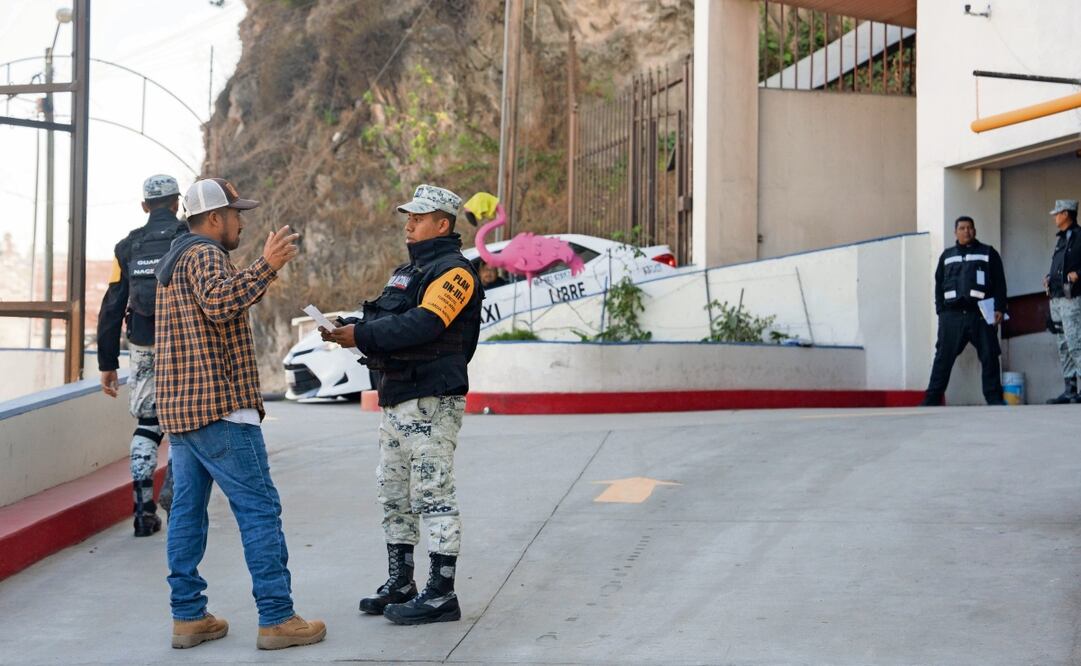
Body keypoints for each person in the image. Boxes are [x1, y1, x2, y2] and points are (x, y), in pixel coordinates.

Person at [154, 178, 325, 650]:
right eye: (235, 214)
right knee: (259, 511)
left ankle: (187, 616)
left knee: (188, 515)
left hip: (183, 415)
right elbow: (221, 302)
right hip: (221, 412)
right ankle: (277, 617)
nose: (241, 222)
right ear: (214, 219)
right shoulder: (206, 254)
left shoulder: (172, 260)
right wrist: (266, 267)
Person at [321, 184, 483, 625]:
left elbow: (425, 323)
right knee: (393, 493)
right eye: (407, 216)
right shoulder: (407, 273)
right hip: (396, 398)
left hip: (432, 399)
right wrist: (351, 327)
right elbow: (387, 320)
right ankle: (402, 582)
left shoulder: (456, 273)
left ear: (443, 224)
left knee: (433, 494)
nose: (408, 224)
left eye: (418, 217)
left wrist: (364, 336)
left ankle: (441, 593)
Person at [96, 174, 187, 537]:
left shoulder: (126, 246)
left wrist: (107, 364)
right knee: (185, 425)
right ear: (177, 202)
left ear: (144, 206)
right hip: (184, 344)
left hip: (143, 344)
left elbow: (112, 305)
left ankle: (142, 510)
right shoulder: (188, 240)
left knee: (148, 425)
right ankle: (176, 493)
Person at [920, 215, 1008, 406]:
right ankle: (931, 399)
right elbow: (938, 285)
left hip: (981, 314)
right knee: (943, 358)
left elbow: (1000, 283)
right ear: (955, 232)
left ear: (974, 231)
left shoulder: (988, 253)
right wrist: (941, 312)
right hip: (952, 317)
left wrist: (1000, 307)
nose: (966, 231)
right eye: (962, 228)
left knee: (990, 356)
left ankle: (994, 400)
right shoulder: (946, 256)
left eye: (969, 228)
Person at [1043, 199, 1081, 404]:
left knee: (1076, 343)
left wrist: (1079, 274)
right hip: (1056, 297)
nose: (1055, 217)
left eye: (1057, 214)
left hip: (1072, 298)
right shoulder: (1061, 239)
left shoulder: (1079, 236)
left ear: (1066, 214)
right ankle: (1070, 390)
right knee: (1063, 344)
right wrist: (1049, 278)